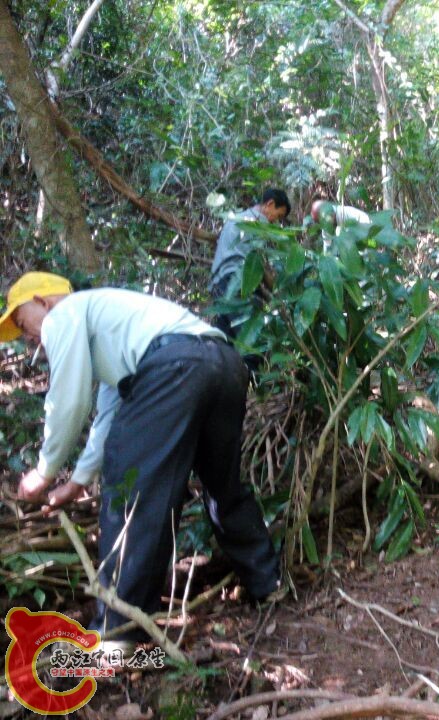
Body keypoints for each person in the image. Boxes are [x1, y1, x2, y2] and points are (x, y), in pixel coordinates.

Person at [1, 272, 282, 647]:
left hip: (174, 366)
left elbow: (68, 401)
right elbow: (107, 417)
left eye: (23, 323)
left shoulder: (63, 314)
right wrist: (77, 481)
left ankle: (119, 630)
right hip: (224, 364)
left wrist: (43, 471)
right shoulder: (112, 330)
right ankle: (267, 581)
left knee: (131, 487)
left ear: (44, 301)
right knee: (222, 485)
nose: (28, 337)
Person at [209, 188, 291, 338]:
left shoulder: (235, 219)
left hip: (218, 286)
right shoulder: (258, 225)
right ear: (270, 204)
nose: (275, 221)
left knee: (224, 342)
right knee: (251, 344)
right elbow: (260, 266)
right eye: (278, 215)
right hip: (237, 284)